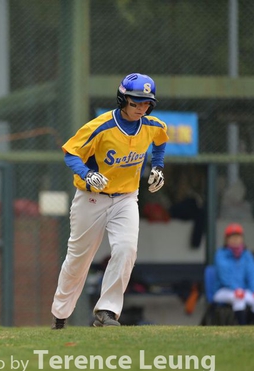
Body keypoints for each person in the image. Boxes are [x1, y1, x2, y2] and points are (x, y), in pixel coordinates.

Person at [51, 73, 169, 329]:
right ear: (122, 99)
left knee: (126, 250)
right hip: (91, 198)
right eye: (135, 102)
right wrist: (87, 174)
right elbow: (71, 153)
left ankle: (107, 311)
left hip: (126, 197)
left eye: (146, 103)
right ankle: (60, 314)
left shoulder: (153, 125)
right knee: (79, 258)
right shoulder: (101, 126)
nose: (141, 108)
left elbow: (160, 141)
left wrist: (158, 166)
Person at [213, 223, 254, 325]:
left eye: (238, 237)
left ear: (242, 238)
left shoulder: (247, 255)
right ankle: (242, 326)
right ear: (226, 239)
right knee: (239, 298)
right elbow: (225, 277)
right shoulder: (221, 254)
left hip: (243, 290)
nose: (235, 239)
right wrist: (236, 288)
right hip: (223, 290)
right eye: (232, 237)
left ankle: (248, 325)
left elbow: (252, 275)